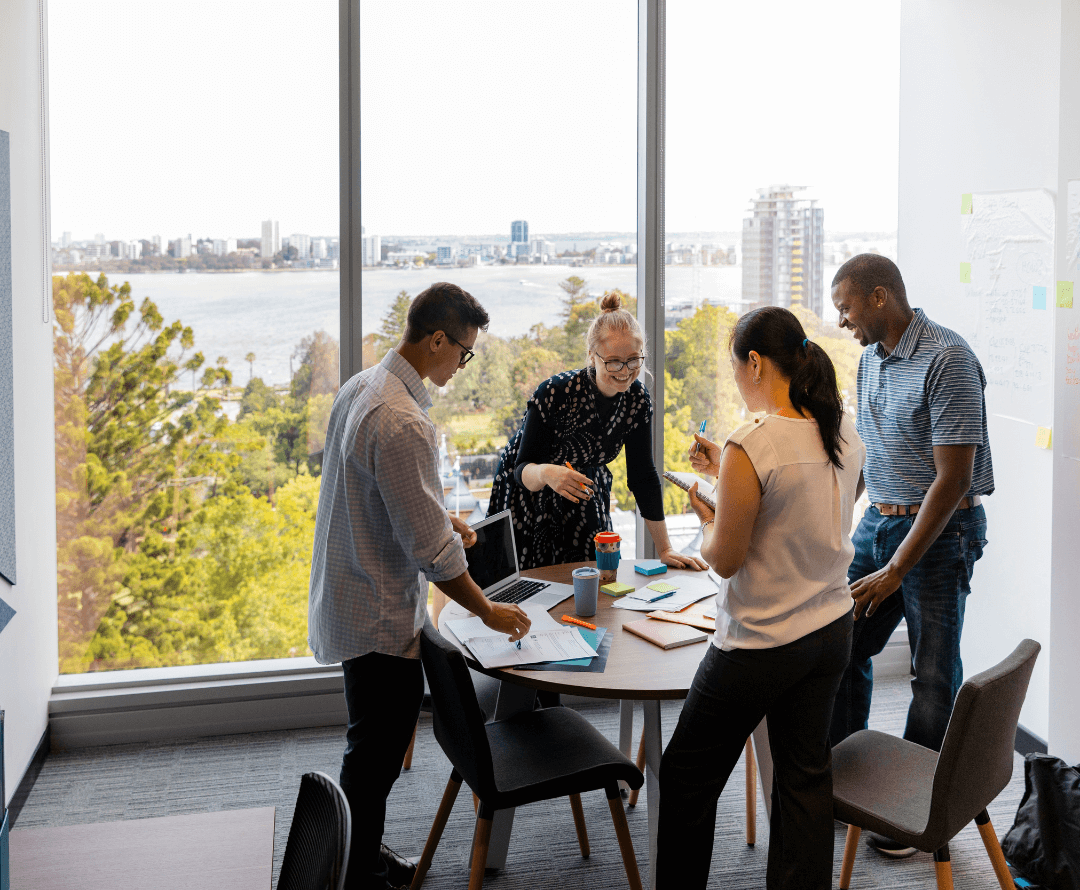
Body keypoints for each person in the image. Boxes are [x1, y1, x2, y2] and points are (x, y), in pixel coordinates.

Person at [307, 282, 531, 890]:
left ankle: (362, 854)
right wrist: (488, 611)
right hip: (380, 615)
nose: (462, 365)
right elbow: (433, 554)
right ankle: (354, 875)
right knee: (374, 760)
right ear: (437, 339)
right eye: (464, 353)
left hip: (349, 595)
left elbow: (385, 498)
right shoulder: (403, 421)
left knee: (370, 749)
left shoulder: (363, 387)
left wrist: (444, 519)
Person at [656, 306, 865, 890]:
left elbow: (723, 558)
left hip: (760, 644)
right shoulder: (843, 429)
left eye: (735, 368)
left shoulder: (754, 441)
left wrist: (710, 511)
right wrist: (730, 479)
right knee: (803, 780)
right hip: (828, 630)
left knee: (687, 775)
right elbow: (807, 513)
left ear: (754, 362)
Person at [828, 254, 992, 858]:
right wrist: (843, 524)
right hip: (879, 525)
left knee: (931, 675)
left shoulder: (947, 358)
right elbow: (871, 454)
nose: (842, 321)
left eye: (846, 307)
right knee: (842, 644)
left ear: (879, 297)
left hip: (941, 533)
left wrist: (898, 569)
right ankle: (846, 781)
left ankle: (910, 812)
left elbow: (953, 479)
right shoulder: (870, 360)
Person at [488, 292, 707, 572]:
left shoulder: (637, 399)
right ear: (593, 356)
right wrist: (546, 473)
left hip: (585, 489)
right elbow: (521, 468)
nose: (625, 371)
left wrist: (665, 549)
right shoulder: (554, 392)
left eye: (634, 360)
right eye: (614, 361)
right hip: (530, 492)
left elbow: (643, 477)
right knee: (534, 586)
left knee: (595, 577)